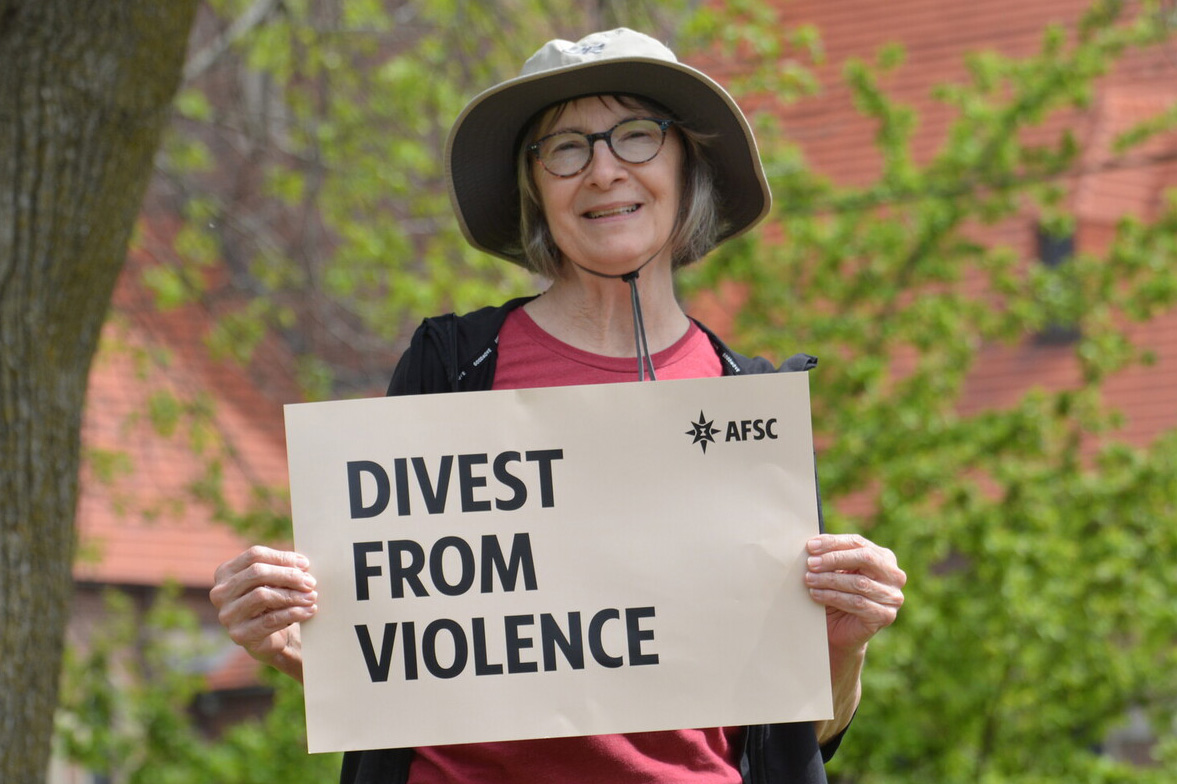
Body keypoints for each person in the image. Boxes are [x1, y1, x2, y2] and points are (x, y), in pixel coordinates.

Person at [210, 28, 906, 784]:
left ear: (686, 163)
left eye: (636, 137)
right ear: (536, 188)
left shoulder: (748, 405)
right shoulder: (456, 367)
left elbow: (800, 724)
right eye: (566, 149)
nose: (603, 171)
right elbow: (400, 669)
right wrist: (289, 643)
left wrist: (845, 640)